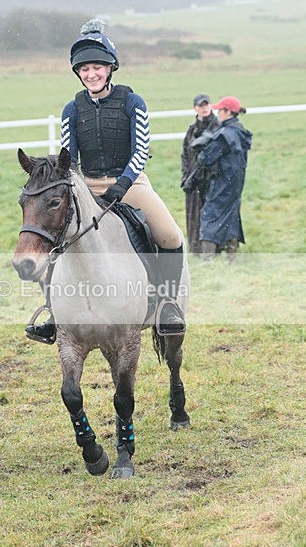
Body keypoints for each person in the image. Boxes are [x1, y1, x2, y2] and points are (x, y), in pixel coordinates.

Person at [25, 19, 186, 344]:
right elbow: (67, 159)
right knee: (57, 236)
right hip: (86, 187)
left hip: (132, 184)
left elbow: (141, 151)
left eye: (97, 67)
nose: (91, 74)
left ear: (110, 68)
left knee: (170, 235)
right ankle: (54, 312)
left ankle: (167, 305)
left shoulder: (132, 103)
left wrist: (123, 184)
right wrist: (75, 185)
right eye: (84, 69)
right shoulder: (71, 109)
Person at [192, 96, 252, 262]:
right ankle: (232, 258)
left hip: (221, 183)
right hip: (236, 184)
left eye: (220, 110)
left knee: (209, 215)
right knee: (232, 216)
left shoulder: (225, 134)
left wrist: (201, 145)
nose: (217, 113)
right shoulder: (240, 131)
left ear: (228, 112)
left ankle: (207, 260)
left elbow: (205, 158)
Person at [180, 93, 220, 255]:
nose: (203, 108)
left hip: (212, 178)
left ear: (210, 106)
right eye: (200, 105)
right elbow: (185, 154)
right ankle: (196, 248)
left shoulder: (218, 127)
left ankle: (215, 249)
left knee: (212, 214)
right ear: (195, 108)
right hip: (193, 179)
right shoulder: (192, 130)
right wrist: (185, 175)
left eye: (206, 105)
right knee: (194, 214)